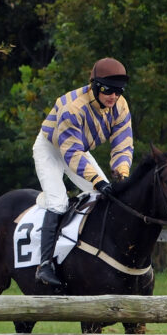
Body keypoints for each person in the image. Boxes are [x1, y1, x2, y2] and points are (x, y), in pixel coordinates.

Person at [33, 57, 134, 286]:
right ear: (95, 86)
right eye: (108, 90)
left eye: (118, 91)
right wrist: (98, 180)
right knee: (58, 202)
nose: (113, 96)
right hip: (51, 148)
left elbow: (123, 144)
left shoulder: (120, 106)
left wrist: (122, 175)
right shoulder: (73, 108)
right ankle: (44, 266)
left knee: (105, 197)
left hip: (77, 148)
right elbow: (71, 153)